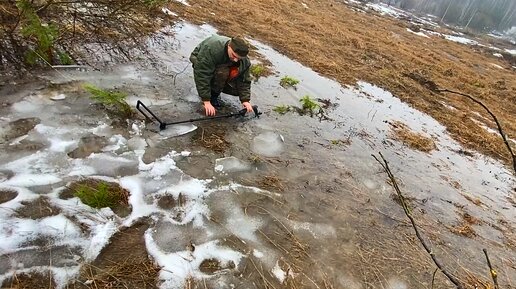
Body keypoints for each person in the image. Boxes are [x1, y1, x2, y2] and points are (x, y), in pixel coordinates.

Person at [190, 34, 254, 116]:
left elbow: (244, 80)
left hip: (222, 63)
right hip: (200, 58)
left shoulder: (244, 60)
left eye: (239, 58)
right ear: (229, 47)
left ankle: (215, 90)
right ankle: (212, 95)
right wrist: (206, 100)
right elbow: (202, 73)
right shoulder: (212, 49)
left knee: (237, 87)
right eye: (234, 56)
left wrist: (245, 100)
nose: (235, 60)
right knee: (222, 73)